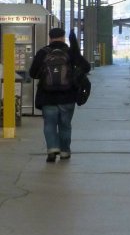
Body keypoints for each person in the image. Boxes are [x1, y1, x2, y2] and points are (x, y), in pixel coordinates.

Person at [29, 27, 91, 163]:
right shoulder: (70, 52)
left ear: (50, 38)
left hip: (47, 96)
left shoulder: (42, 53)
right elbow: (86, 67)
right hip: (68, 96)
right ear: (63, 38)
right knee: (65, 125)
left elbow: (32, 73)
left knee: (49, 124)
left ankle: (52, 150)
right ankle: (64, 152)